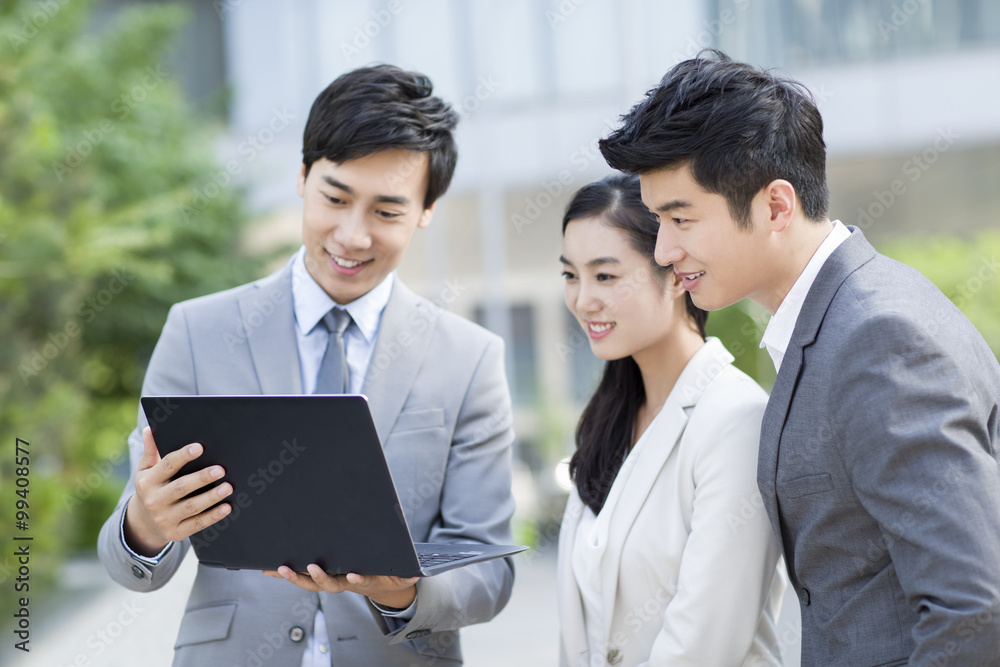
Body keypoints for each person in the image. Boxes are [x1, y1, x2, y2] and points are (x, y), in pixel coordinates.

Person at [98, 64, 517, 666]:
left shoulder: (469, 359)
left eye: (387, 212)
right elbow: (126, 567)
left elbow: (491, 569)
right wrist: (147, 522)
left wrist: (404, 592)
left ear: (426, 211)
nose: (352, 235)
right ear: (302, 176)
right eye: (335, 198)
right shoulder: (198, 332)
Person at [599, 49, 1000, 667]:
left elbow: (973, 609)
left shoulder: (879, 337)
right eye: (657, 221)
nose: (663, 250)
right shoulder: (831, 321)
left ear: (776, 207)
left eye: (680, 218)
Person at [556, 173, 785, 667]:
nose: (583, 300)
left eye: (606, 275)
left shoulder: (734, 420)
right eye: (571, 275)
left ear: (676, 274)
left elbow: (704, 645)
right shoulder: (608, 420)